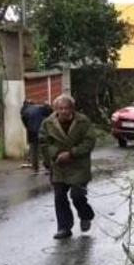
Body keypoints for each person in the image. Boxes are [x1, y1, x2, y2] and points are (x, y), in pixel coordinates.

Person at [39, 95, 96, 239]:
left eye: (66, 108)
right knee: (59, 197)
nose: (64, 111)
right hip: (58, 166)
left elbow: (89, 142)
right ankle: (64, 227)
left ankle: (85, 215)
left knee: (77, 195)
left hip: (78, 165)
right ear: (55, 109)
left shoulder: (83, 122)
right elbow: (43, 143)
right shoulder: (48, 123)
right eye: (60, 108)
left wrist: (71, 153)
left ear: (72, 108)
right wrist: (54, 156)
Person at [20, 100, 53, 173]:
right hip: (41, 130)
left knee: (33, 149)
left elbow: (24, 122)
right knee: (44, 148)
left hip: (31, 132)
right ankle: (48, 165)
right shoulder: (39, 108)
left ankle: (35, 168)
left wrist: (28, 128)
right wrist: (47, 105)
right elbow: (49, 112)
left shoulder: (23, 111)